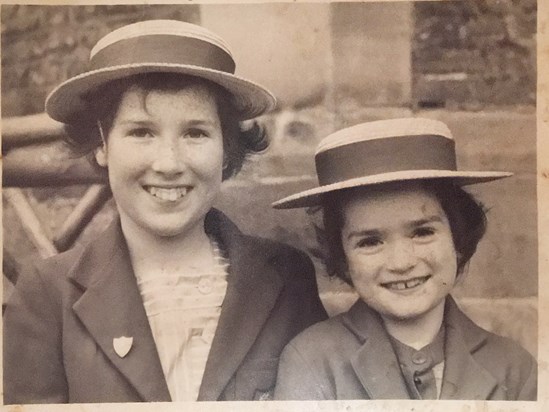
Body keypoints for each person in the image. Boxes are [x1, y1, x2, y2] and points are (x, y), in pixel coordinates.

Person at [3, 20, 327, 404]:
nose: (169, 163)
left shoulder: (286, 277)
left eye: (196, 133)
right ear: (102, 145)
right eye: (141, 132)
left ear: (226, 149)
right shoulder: (47, 293)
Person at [272, 118, 537, 400]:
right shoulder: (312, 361)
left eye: (422, 232)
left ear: (458, 238)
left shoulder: (514, 367)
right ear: (342, 258)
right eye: (370, 242)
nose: (401, 263)